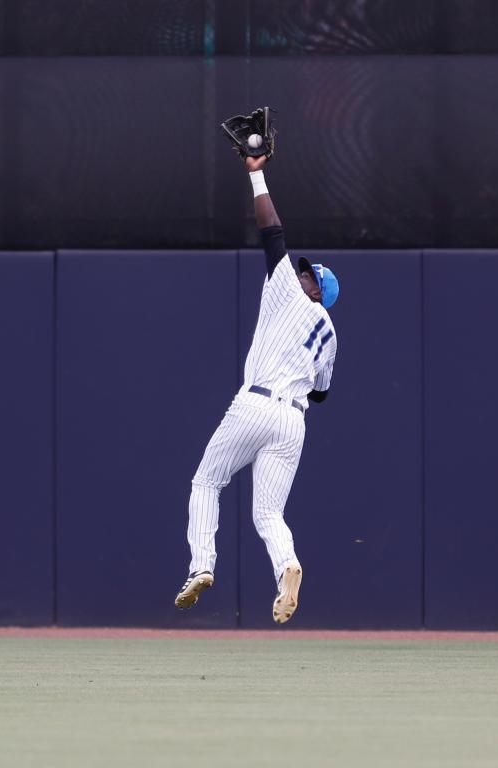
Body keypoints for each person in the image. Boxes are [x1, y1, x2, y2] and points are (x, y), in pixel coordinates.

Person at [175, 152, 339, 624]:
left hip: (258, 402)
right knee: (268, 515)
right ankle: (287, 565)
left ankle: (201, 567)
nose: (303, 274)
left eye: (311, 277)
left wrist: (256, 174)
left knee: (207, 480)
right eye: (306, 271)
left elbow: (272, 233)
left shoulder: (288, 289)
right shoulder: (331, 334)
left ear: (315, 292)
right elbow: (323, 393)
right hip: (293, 422)